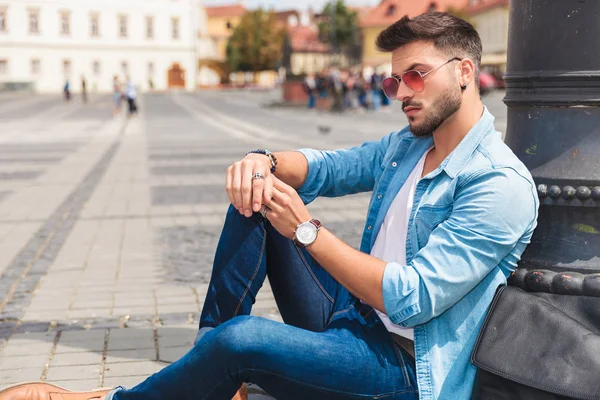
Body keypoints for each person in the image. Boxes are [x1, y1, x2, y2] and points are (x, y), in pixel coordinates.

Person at [0, 12, 538, 400]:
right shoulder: (411, 144)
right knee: (260, 199)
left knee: (245, 341)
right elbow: (331, 166)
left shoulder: (497, 184)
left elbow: (413, 299)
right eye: (392, 79)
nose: (400, 92)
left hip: (402, 366)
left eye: (415, 75)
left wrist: (308, 231)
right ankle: (211, 373)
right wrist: (263, 161)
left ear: (465, 71)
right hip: (352, 316)